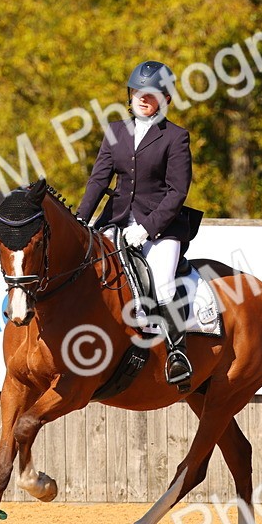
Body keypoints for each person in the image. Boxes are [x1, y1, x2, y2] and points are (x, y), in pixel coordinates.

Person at [77, 60, 198, 386]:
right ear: (130, 95)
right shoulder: (115, 131)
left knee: (163, 282)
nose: (144, 98)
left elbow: (177, 192)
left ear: (165, 99)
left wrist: (146, 229)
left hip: (160, 227)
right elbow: (98, 181)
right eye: (138, 92)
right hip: (115, 220)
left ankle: (177, 354)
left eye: (152, 93)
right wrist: (80, 220)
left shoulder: (176, 137)